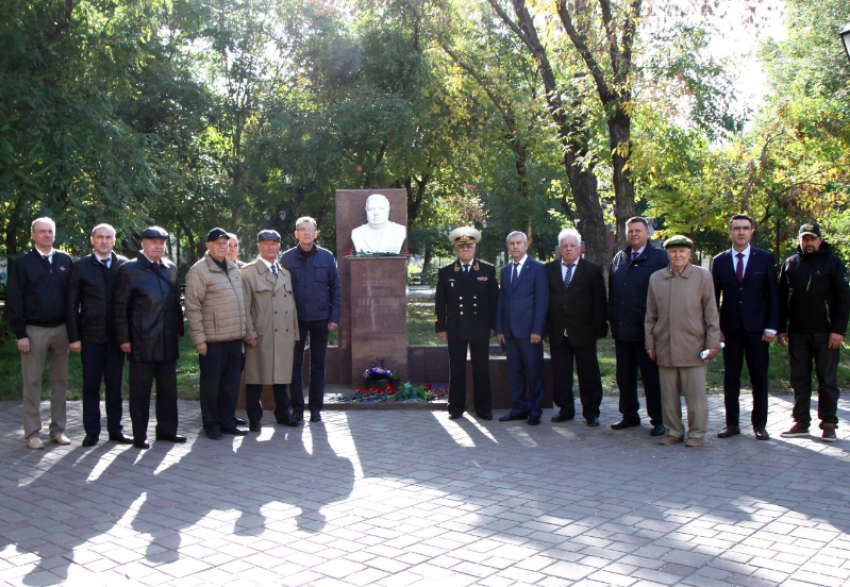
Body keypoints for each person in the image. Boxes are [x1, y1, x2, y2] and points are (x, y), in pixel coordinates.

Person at [114, 226, 186, 449]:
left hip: (166, 342)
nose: (158, 246)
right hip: (141, 341)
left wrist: (178, 330)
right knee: (140, 392)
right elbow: (120, 307)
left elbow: (176, 303)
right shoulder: (129, 270)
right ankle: (139, 434)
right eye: (153, 242)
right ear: (143, 244)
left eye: (162, 242)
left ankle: (167, 431)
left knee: (168, 390)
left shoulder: (171, 269)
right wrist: (124, 338)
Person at [777, 222, 850, 442]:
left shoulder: (833, 262)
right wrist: (781, 328)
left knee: (827, 379)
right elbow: (781, 300)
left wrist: (838, 330)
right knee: (799, 379)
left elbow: (843, 299)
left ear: (820, 240)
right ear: (799, 240)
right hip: (797, 333)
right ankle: (801, 422)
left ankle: (828, 423)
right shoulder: (790, 263)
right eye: (804, 239)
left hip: (826, 333)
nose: (808, 243)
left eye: (812, 239)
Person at [645, 235, 720, 448]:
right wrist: (650, 343)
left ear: (690, 253)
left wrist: (712, 342)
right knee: (668, 395)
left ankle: (696, 433)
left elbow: (711, 313)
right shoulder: (656, 278)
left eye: (682, 251)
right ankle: (674, 431)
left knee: (695, 395)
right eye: (673, 251)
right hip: (665, 344)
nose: (678, 255)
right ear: (667, 254)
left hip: (693, 345)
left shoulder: (703, 276)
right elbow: (650, 315)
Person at [711, 214, 779, 441]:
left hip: (757, 330)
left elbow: (774, 297)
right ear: (730, 232)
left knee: (759, 377)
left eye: (745, 228)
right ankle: (732, 424)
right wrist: (715, 327)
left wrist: (771, 327)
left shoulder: (765, 259)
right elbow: (713, 297)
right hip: (730, 329)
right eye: (736, 228)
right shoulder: (719, 261)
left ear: (751, 232)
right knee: (731, 377)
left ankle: (759, 424)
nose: (741, 232)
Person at [8, 217, 73, 449]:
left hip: (61, 329)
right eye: (42, 232)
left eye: (50, 231)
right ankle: (32, 433)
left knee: (60, 381)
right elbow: (14, 299)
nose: (47, 235)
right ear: (33, 235)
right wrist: (20, 333)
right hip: (33, 330)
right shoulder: (23, 263)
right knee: (32, 381)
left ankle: (58, 430)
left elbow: (72, 298)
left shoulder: (65, 260)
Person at [65, 223, 133, 447]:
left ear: (114, 240)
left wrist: (128, 336)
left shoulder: (124, 265)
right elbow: (72, 303)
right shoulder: (81, 266)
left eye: (108, 237)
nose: (104, 241)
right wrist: (74, 337)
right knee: (91, 387)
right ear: (92, 240)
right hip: (90, 336)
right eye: (100, 237)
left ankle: (116, 430)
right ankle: (92, 432)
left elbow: (130, 303)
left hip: (116, 338)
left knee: (114, 387)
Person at [184, 228, 248, 440]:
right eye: (218, 243)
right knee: (211, 385)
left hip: (234, 337)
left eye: (225, 243)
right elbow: (192, 308)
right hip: (212, 340)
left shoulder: (233, 268)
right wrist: (199, 339)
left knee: (230, 385)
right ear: (208, 246)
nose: (223, 246)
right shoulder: (199, 271)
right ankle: (211, 424)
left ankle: (227, 421)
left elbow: (242, 302)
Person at [608, 217, 669, 437]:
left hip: (648, 332)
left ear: (648, 233)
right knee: (624, 376)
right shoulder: (619, 258)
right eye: (630, 231)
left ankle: (658, 419)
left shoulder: (660, 258)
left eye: (638, 231)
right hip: (623, 329)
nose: (633, 234)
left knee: (651, 378)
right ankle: (629, 415)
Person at [280, 217, 342, 423]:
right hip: (294, 320)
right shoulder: (287, 258)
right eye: (302, 230)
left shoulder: (326, 257)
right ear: (296, 234)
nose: (306, 233)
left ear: (316, 234)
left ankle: (315, 408)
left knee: (318, 365)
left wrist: (334, 316)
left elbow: (335, 288)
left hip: (320, 318)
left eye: (310, 230)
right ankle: (297, 408)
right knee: (294, 365)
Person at [434, 227, 498, 421]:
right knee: (457, 369)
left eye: (469, 247)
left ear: (475, 248)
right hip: (456, 328)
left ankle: (484, 408)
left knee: (481, 369)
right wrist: (441, 327)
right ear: (456, 250)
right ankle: (455, 407)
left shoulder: (487, 270)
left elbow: (494, 302)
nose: (465, 250)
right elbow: (440, 303)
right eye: (461, 248)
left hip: (480, 328)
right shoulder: (446, 273)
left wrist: (494, 326)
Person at [545, 229, 607, 426]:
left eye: (572, 246)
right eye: (565, 246)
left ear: (580, 248)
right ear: (559, 249)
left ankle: (591, 412)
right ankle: (565, 409)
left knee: (589, 374)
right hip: (557, 332)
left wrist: (599, 329)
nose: (569, 249)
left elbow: (599, 302)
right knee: (561, 374)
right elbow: (544, 302)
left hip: (584, 331)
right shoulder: (549, 270)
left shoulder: (593, 270)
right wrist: (545, 329)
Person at [242, 230, 301, 429]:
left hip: (284, 334)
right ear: (259, 246)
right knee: (255, 377)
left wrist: (294, 333)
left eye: (274, 244)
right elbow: (245, 307)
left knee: (281, 378)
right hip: (261, 333)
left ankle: (283, 414)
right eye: (266, 243)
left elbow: (291, 306)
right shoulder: (248, 272)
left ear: (279, 246)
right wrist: (249, 333)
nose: (270, 247)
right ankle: (254, 419)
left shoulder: (285, 273)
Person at [496, 231, 549, 425]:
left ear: (526, 246)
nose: (515, 246)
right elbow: (502, 301)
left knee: (534, 371)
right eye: (512, 244)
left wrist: (538, 329)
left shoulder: (538, 268)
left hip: (530, 332)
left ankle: (535, 410)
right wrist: (500, 329)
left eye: (519, 243)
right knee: (515, 372)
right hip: (510, 331)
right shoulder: (505, 270)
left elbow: (542, 301)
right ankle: (518, 408)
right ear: (508, 247)